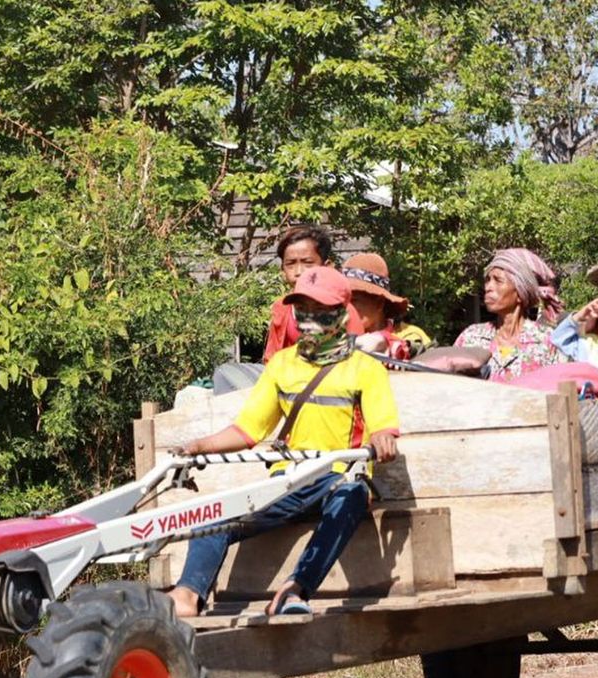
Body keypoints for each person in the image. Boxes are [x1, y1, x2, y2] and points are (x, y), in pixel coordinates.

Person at [167, 266, 400, 618]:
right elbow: (248, 431)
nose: (308, 320)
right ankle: (187, 595)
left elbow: (383, 427)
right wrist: (197, 446)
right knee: (215, 511)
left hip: (337, 478)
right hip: (289, 480)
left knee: (351, 496)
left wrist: (383, 439)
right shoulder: (281, 366)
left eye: (319, 311)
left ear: (340, 313)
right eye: (301, 310)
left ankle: (296, 589)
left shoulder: (364, 369)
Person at [453, 248, 565, 382]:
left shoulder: (545, 341)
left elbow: (560, 392)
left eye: (498, 280)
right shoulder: (471, 338)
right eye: (488, 280)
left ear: (520, 293)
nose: (488, 287)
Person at [262, 224, 364, 363]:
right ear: (282, 270)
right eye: (290, 264)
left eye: (308, 263)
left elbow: (357, 357)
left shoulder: (340, 309)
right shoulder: (281, 308)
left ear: (327, 266)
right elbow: (271, 359)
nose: (298, 272)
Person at [342, 252, 433, 361]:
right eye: (343, 301)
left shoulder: (411, 335)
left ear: (379, 303)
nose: (347, 308)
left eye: (354, 300)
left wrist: (391, 345)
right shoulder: (337, 337)